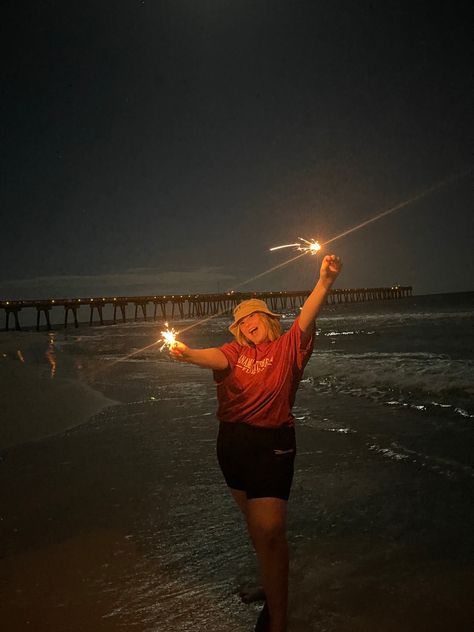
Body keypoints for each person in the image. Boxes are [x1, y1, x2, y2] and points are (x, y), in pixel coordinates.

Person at [170, 254, 342, 632]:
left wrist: (325, 282)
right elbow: (212, 357)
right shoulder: (234, 352)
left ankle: (278, 621)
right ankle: (270, 585)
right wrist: (187, 354)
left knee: (270, 530)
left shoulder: (290, 348)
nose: (247, 325)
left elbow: (307, 317)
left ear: (267, 320)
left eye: (252, 318)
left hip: (272, 444)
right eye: (240, 322)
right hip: (231, 444)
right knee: (255, 527)